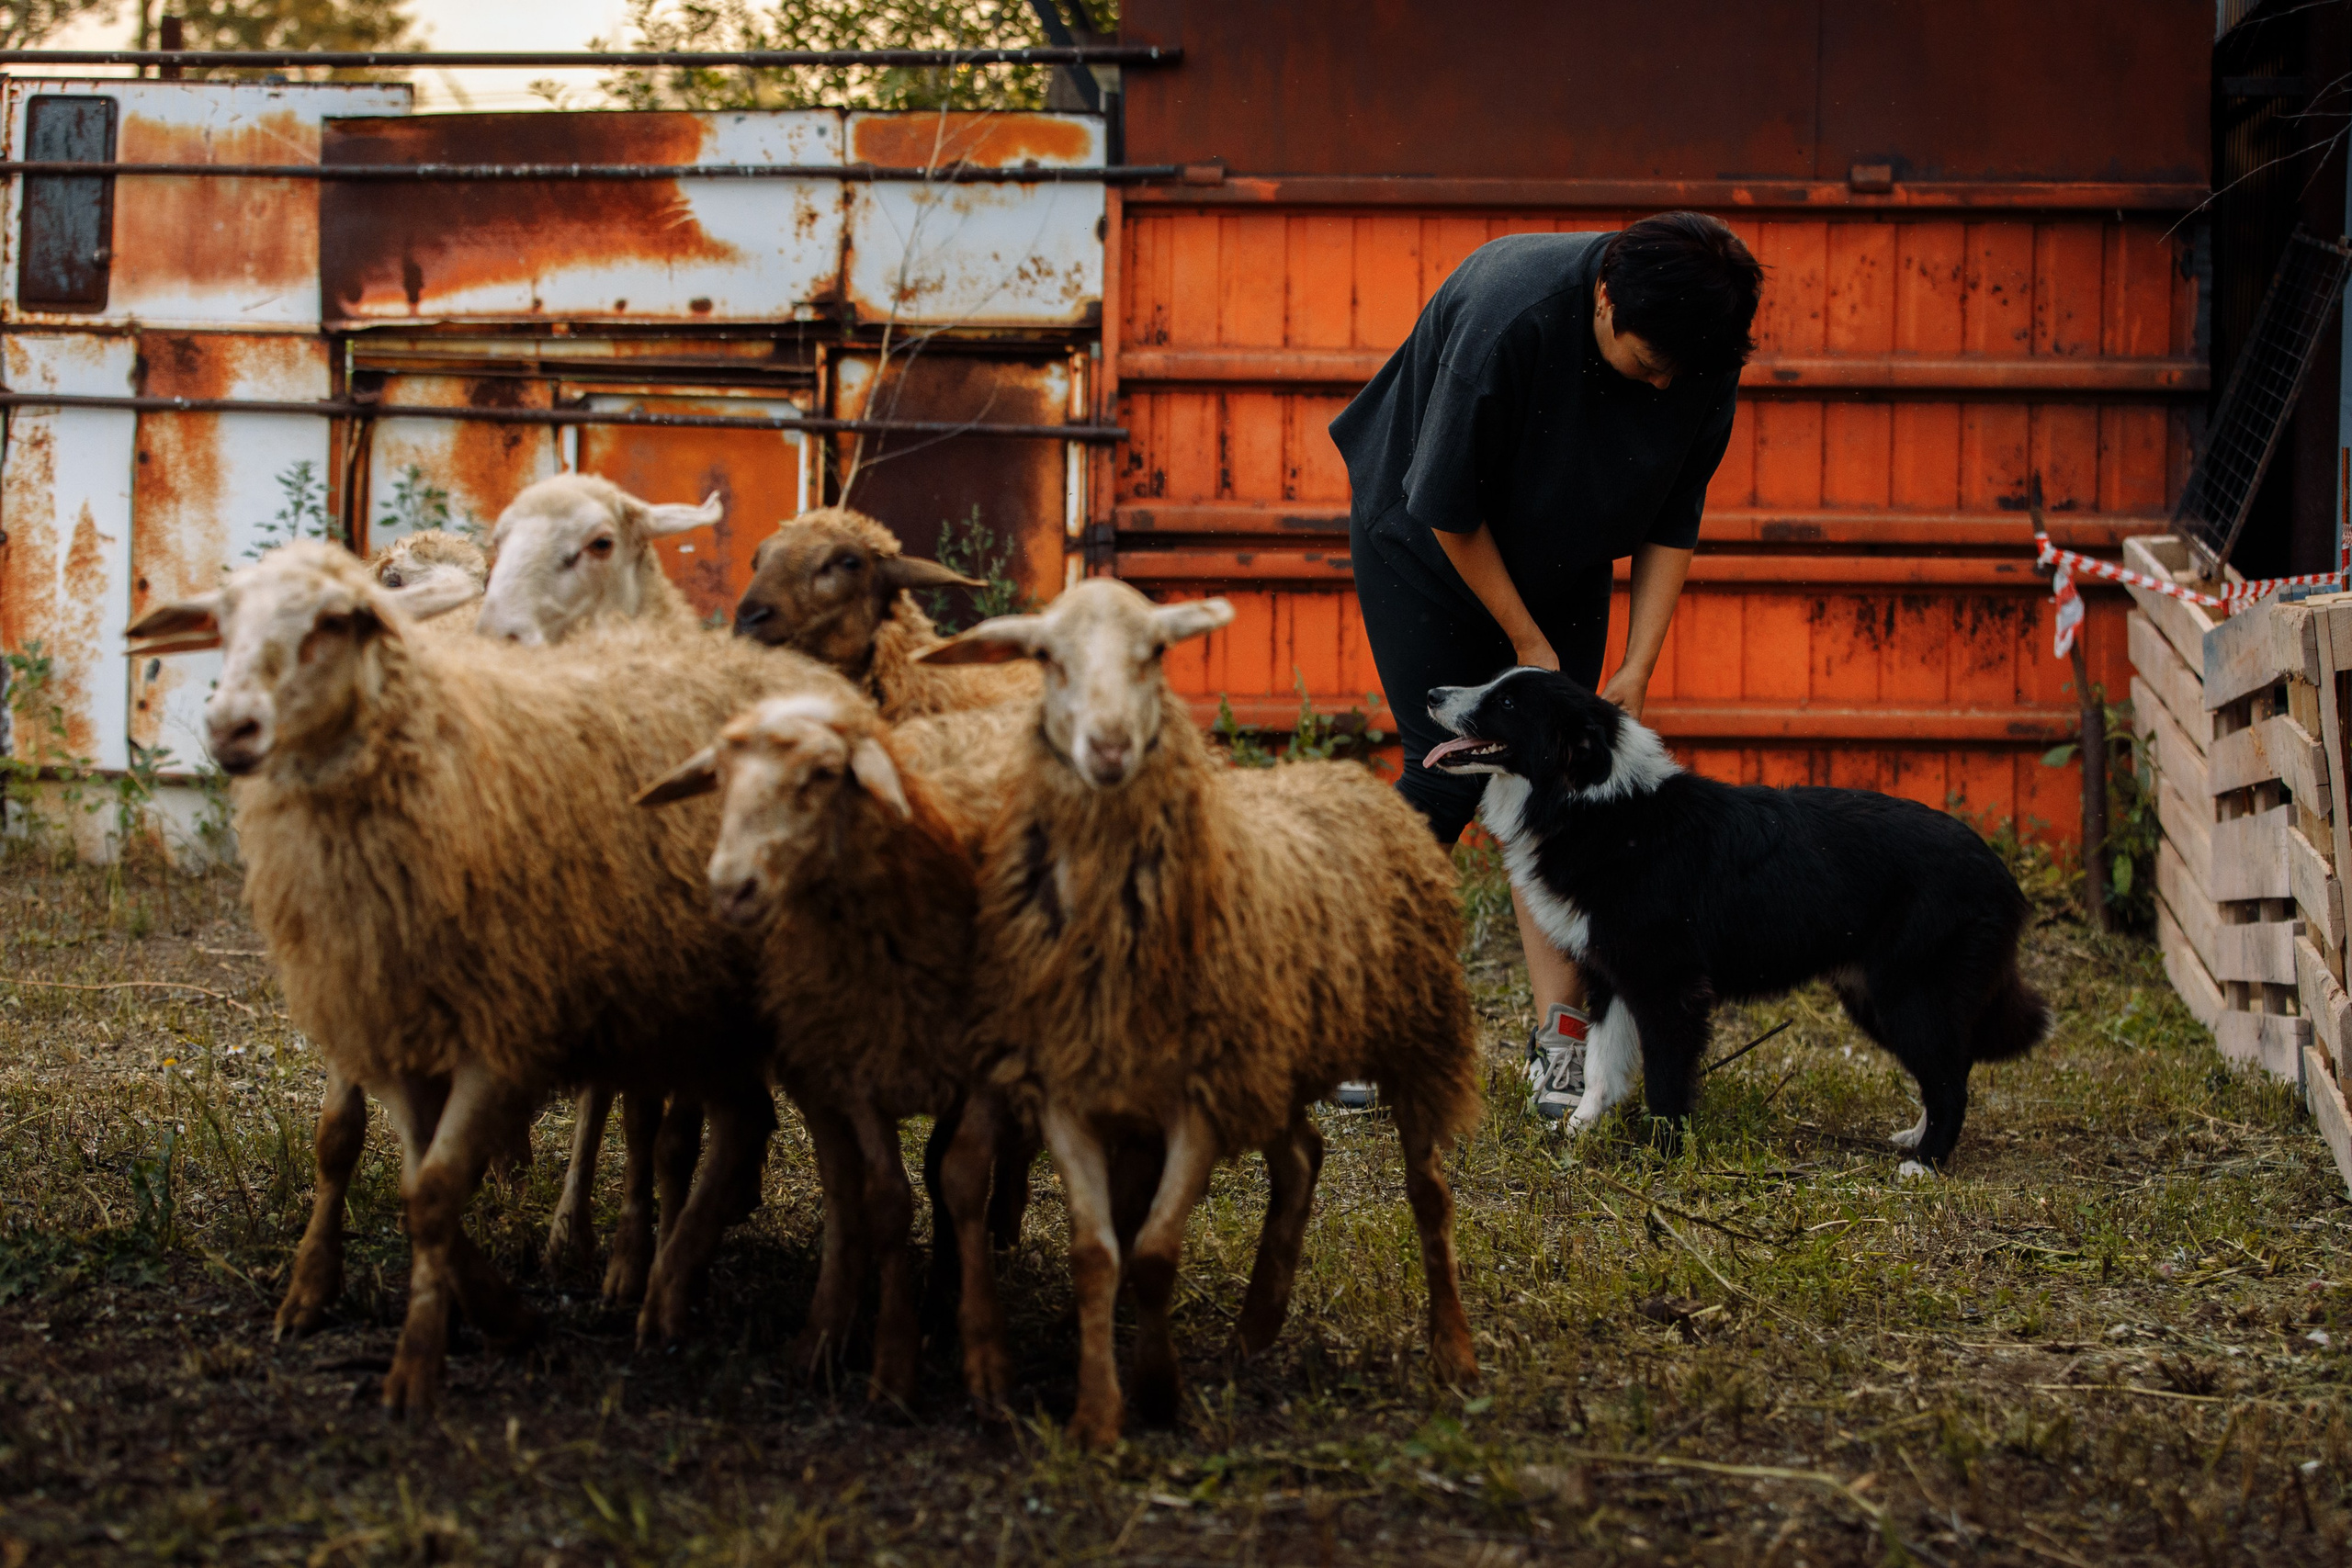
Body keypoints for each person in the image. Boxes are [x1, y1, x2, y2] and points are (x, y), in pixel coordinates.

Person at [1326, 211, 1763, 1121]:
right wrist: (1527, 645)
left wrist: (1638, 665)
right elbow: (1444, 505)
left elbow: (1670, 518)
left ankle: (1561, 1042)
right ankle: (1343, 1022)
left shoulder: (1700, 347)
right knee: (1447, 776)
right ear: (1604, 300)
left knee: (1560, 775)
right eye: (1648, 367)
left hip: (1563, 550)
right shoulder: (1508, 313)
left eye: (1683, 372)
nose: (1667, 385)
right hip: (1427, 543)